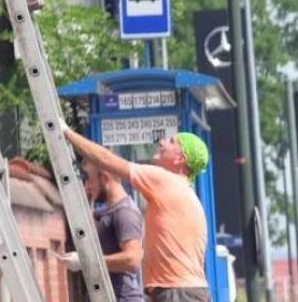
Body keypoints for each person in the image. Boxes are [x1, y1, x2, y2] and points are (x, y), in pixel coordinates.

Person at [65, 127, 212, 301]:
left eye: (172, 142)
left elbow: (105, 159)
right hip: (180, 291)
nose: (162, 142)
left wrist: (67, 133)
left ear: (180, 159)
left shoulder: (166, 181)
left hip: (178, 293)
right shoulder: (185, 192)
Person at [64, 163, 146, 302]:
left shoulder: (125, 213)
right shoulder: (107, 212)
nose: (88, 185)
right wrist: (85, 198)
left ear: (104, 178)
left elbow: (132, 259)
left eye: (89, 179)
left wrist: (86, 261)